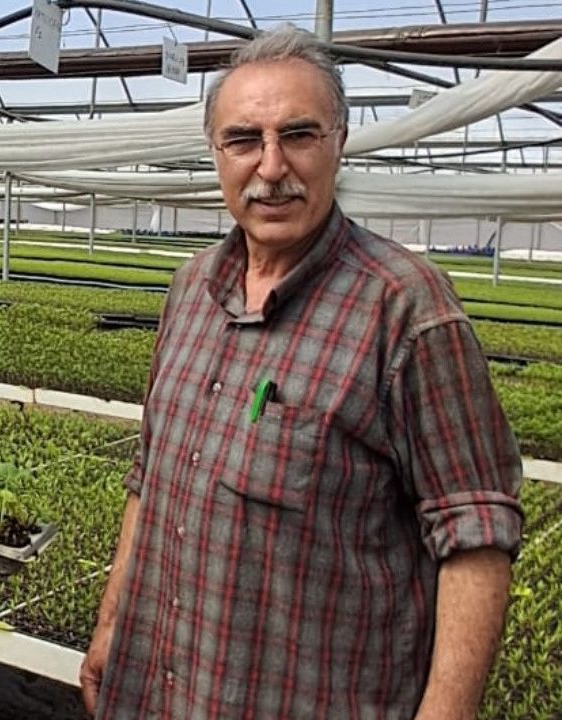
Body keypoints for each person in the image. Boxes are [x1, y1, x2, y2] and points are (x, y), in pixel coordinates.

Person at [81, 26, 523, 720]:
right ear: (216, 153)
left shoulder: (406, 307)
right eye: (243, 140)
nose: (271, 166)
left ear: (338, 142)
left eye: (299, 134)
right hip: (159, 690)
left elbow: (475, 534)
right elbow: (151, 477)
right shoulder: (190, 289)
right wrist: (113, 623)